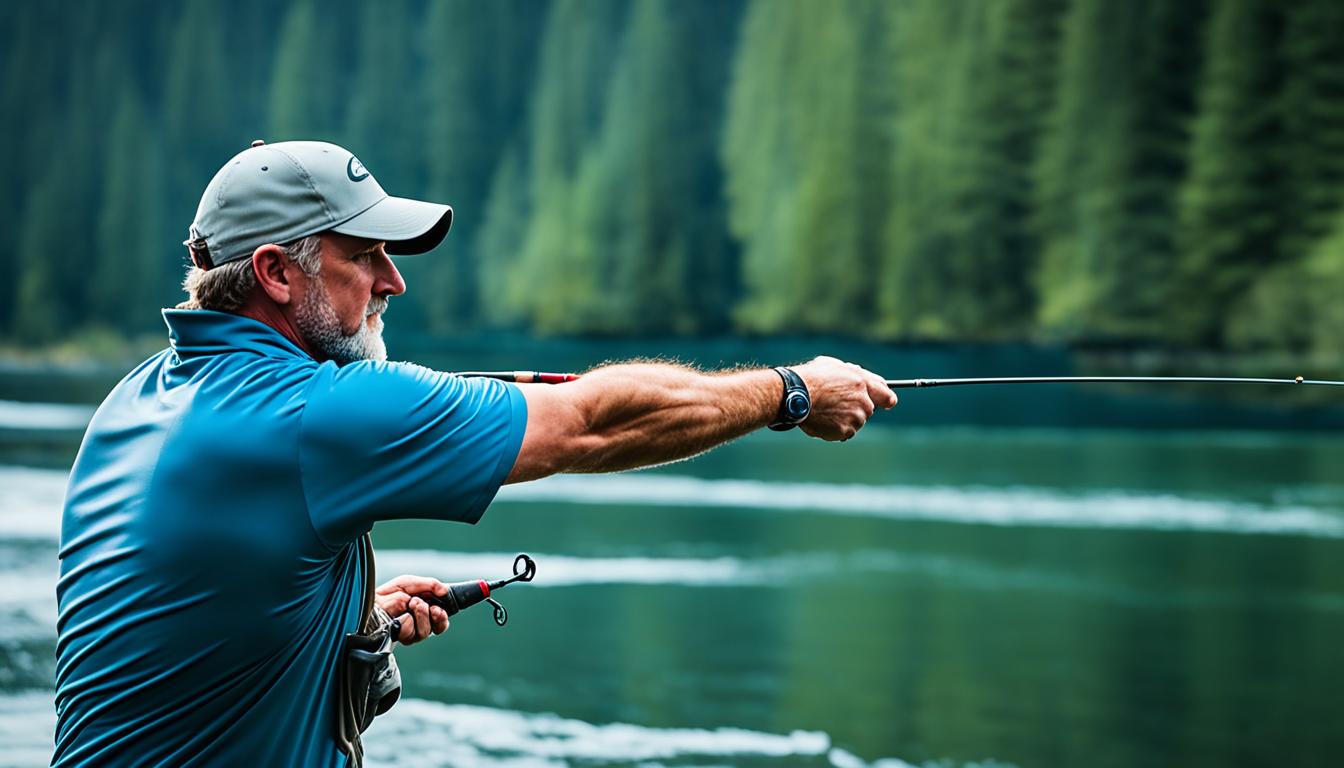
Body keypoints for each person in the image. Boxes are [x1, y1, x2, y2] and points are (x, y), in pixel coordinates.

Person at [52, 140, 897, 766]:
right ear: (276, 272)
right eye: (365, 256)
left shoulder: (137, 397)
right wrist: (793, 392)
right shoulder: (319, 413)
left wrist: (340, 619)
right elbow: (589, 424)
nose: (394, 281)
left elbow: (184, 618)